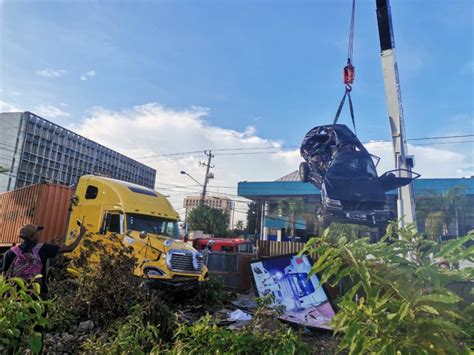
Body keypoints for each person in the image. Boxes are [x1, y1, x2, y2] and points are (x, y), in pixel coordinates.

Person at [1, 223, 87, 299]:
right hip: (38, 292)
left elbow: (4, 276)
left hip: (16, 293)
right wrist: (81, 234)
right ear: (33, 236)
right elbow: (70, 248)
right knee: (37, 316)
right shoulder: (43, 248)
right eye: (37, 232)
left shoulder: (10, 252)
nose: (38, 234)